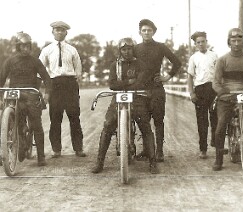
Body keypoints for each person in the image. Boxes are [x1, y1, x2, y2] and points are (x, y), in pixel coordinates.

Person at [91, 37, 158, 174]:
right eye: (124, 49)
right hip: (119, 98)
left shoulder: (139, 64)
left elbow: (141, 82)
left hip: (137, 97)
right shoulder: (114, 66)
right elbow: (112, 85)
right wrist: (130, 82)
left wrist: (127, 83)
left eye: (129, 49)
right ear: (120, 51)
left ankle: (153, 162)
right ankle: (99, 162)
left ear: (133, 49)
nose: (127, 52)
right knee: (108, 124)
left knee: (145, 126)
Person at [0, 32, 51, 166]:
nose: (25, 49)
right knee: (5, 121)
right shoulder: (10, 61)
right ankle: (4, 152)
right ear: (18, 47)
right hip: (13, 94)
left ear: (30, 46)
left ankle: (41, 156)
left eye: (27, 46)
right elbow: (1, 79)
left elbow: (46, 78)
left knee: (36, 124)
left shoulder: (35, 61)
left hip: (31, 94)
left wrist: (46, 95)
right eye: (22, 46)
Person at [134, 19, 181, 162]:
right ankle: (147, 150)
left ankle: (159, 151)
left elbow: (177, 62)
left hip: (156, 88)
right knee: (143, 121)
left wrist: (167, 77)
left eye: (149, 30)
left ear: (153, 32)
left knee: (158, 120)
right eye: (144, 30)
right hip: (141, 89)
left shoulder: (160, 47)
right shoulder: (135, 48)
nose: (146, 32)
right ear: (140, 32)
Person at [212, 28, 243, 171]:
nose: (237, 43)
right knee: (220, 127)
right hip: (227, 97)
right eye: (234, 40)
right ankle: (218, 159)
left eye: (239, 40)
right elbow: (215, 82)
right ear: (229, 42)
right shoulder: (222, 60)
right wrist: (222, 92)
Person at [39, 21, 86, 158]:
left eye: (62, 30)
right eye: (57, 30)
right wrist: (45, 83)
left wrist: (76, 80)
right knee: (55, 118)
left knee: (74, 117)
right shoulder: (46, 50)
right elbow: (40, 68)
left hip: (70, 84)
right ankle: (56, 150)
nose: (59, 32)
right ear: (52, 32)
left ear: (66, 33)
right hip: (55, 84)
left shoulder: (72, 50)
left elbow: (78, 67)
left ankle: (78, 148)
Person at [187, 31, 218, 159]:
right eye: (198, 42)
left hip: (214, 89)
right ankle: (203, 149)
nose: (201, 44)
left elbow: (219, 73)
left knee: (215, 118)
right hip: (200, 89)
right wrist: (191, 92)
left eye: (203, 41)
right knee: (202, 121)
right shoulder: (193, 58)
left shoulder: (214, 55)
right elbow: (190, 76)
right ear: (195, 44)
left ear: (206, 41)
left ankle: (217, 145)